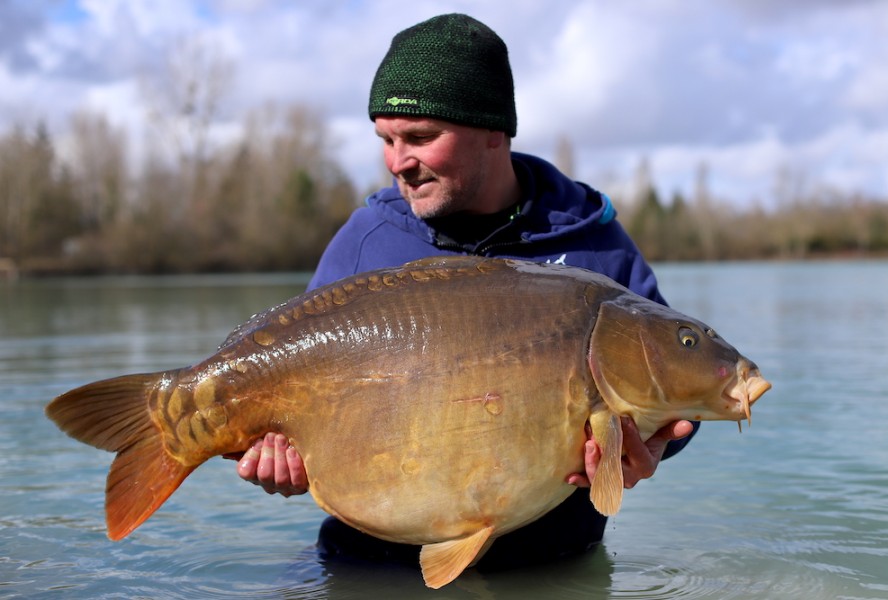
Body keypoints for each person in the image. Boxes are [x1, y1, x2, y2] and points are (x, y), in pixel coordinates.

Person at [232, 13, 698, 571]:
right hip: (377, 569)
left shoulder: (594, 245)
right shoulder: (366, 244)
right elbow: (283, 402)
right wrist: (272, 459)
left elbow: (674, 396)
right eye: (386, 139)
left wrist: (649, 450)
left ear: (493, 131)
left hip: (554, 569)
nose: (399, 162)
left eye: (421, 138)